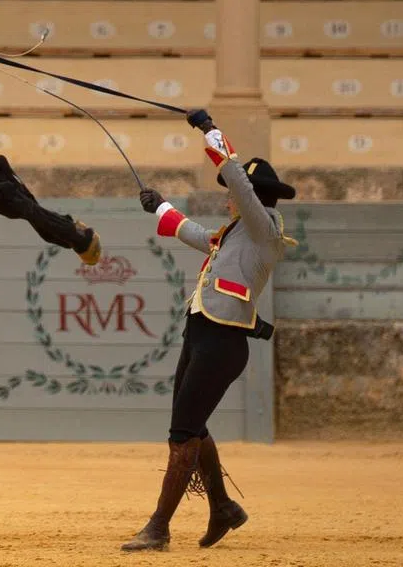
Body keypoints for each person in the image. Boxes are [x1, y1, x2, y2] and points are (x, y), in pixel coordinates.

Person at [122, 110, 296, 552]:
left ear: (252, 196)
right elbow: (201, 236)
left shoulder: (264, 227)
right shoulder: (240, 232)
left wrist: (211, 131)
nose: (228, 201)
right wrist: (161, 207)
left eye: (234, 196)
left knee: (182, 432)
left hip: (222, 340)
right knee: (191, 427)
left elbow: (236, 181)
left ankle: (159, 527)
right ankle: (222, 508)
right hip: (203, 333)